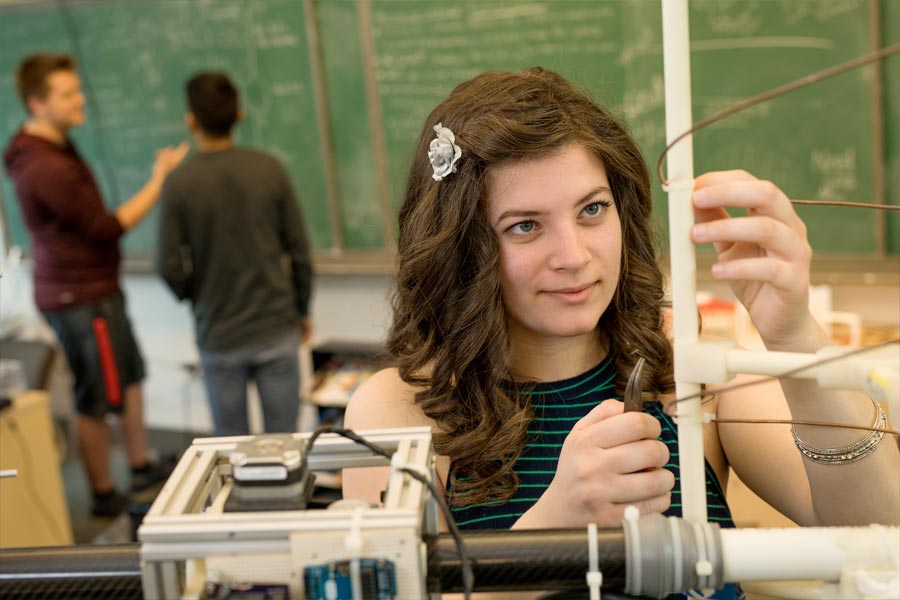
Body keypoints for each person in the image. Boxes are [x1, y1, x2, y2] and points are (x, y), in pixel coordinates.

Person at [342, 67, 899, 596]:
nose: (575, 255)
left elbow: (880, 529)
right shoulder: (399, 410)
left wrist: (795, 338)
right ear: (460, 247)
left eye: (591, 209)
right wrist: (556, 527)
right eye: (526, 226)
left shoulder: (683, 358)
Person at [3, 53, 188, 517]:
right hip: (79, 298)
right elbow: (106, 228)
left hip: (95, 289)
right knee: (97, 395)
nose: (80, 99)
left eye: (77, 89)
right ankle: (105, 495)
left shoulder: (54, 148)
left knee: (129, 377)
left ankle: (141, 466)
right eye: (68, 94)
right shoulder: (46, 166)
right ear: (37, 103)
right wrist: (159, 178)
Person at [156, 71, 313, 437]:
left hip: (218, 332)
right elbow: (299, 251)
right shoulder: (269, 169)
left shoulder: (180, 181)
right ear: (239, 115)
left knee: (230, 447)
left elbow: (167, 264)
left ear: (191, 120)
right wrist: (301, 309)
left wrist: (196, 295)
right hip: (276, 326)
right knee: (285, 441)